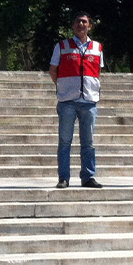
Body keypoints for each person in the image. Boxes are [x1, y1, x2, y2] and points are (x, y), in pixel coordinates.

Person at [49, 12, 103, 189]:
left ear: (90, 26)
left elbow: (97, 72)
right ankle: (63, 177)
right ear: (73, 26)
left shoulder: (97, 47)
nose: (81, 24)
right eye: (78, 22)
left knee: (88, 142)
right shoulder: (63, 46)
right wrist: (64, 86)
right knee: (65, 141)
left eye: (85, 22)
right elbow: (53, 70)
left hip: (89, 100)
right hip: (67, 101)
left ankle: (88, 176)